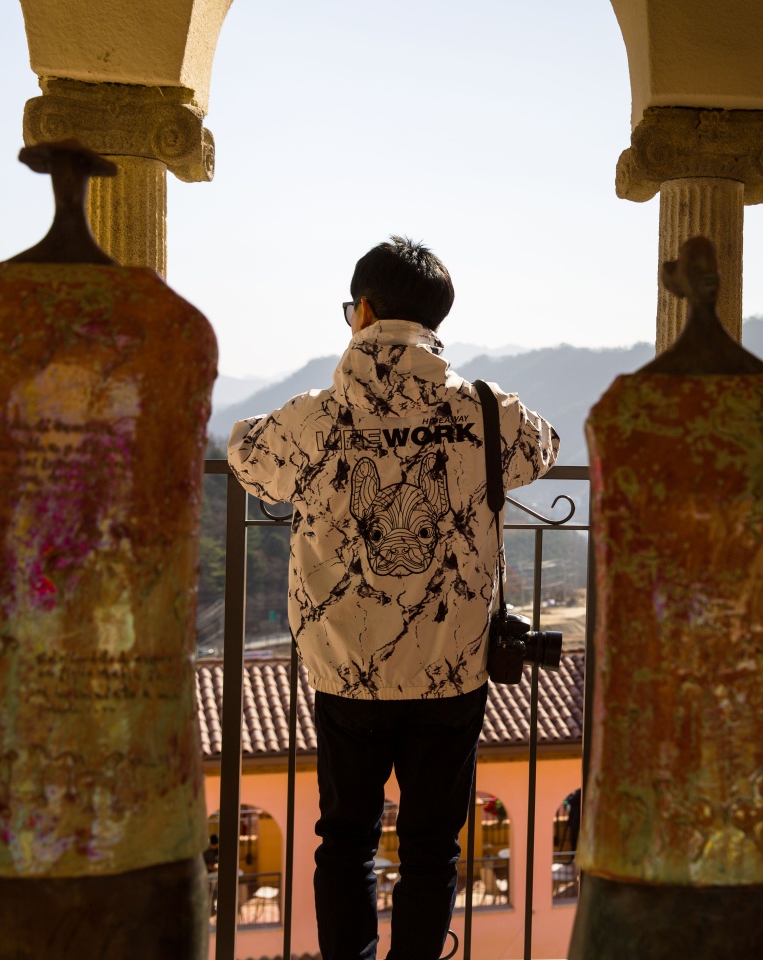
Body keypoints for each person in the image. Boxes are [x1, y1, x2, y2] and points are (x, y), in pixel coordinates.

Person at [227, 236, 559, 960]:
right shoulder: (486, 411)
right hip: (452, 666)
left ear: (364, 313)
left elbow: (247, 457)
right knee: (433, 843)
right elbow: (544, 446)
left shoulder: (314, 418)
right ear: (435, 321)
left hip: (347, 665)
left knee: (345, 838)